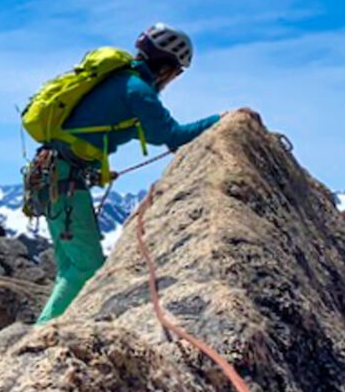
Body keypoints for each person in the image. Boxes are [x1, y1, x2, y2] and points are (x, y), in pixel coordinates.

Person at [33, 23, 219, 324]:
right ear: (166, 66)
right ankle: (40, 337)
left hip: (54, 175)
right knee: (85, 268)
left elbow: (90, 132)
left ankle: (42, 332)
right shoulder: (138, 91)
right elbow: (171, 135)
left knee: (71, 267)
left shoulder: (121, 81)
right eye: (176, 72)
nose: (173, 79)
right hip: (64, 179)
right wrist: (220, 119)